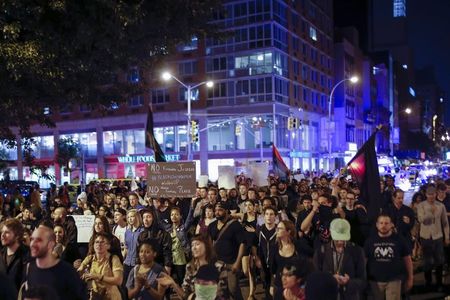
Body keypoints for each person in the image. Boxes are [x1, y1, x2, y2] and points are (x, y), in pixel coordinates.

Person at [23, 226, 87, 300]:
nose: (33, 244)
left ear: (50, 244)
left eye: (39, 240)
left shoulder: (67, 271)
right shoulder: (29, 268)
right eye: (32, 239)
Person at [157, 234, 228, 299]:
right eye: (192, 245)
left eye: (197, 244)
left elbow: (221, 294)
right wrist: (173, 283)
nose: (194, 248)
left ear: (207, 246)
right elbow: (184, 295)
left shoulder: (219, 266)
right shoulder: (190, 267)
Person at [313, 218, 366, 299]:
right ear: (330, 233)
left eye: (343, 238)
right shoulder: (321, 251)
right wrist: (330, 279)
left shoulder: (357, 251)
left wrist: (349, 282)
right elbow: (315, 278)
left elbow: (362, 281)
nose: (340, 241)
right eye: (337, 238)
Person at [364, 214, 413, 300]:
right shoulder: (369, 241)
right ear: (377, 224)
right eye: (381, 223)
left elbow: (407, 259)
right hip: (375, 281)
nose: (383, 225)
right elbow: (364, 261)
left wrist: (410, 278)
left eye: (386, 223)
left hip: (394, 280)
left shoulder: (399, 240)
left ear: (391, 224)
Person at [207, 202, 246, 300]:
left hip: (231, 263)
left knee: (233, 289)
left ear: (226, 211)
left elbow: (242, 243)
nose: (217, 212)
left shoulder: (235, 225)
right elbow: (209, 243)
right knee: (221, 292)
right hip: (216, 263)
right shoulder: (211, 225)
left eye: (219, 210)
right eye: (215, 210)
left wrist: (237, 262)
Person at [416, 185, 449, 291]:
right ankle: (428, 283)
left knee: (439, 260)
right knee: (427, 262)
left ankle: (439, 283)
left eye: (433, 194)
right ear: (426, 195)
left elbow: (445, 223)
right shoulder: (421, 206)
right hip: (425, 237)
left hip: (438, 236)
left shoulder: (441, 206)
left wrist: (447, 236)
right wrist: (430, 211)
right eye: (429, 194)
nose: (431, 196)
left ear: (436, 194)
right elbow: (421, 220)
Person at [271, 220, 313, 299]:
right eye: (277, 228)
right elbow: (273, 269)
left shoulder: (298, 246)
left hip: (295, 288)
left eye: (280, 228)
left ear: (288, 231)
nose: (277, 230)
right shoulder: (274, 247)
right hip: (279, 287)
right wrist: (272, 285)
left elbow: (312, 255)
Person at [78, 232, 124, 300]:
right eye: (96, 242)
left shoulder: (113, 259)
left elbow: (118, 280)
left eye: (102, 242)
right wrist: (82, 274)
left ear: (108, 246)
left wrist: (98, 276)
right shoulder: (89, 258)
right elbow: (79, 271)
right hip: (96, 296)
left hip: (111, 297)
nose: (99, 244)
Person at [254, 206, 278, 300]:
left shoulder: (278, 230)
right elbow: (255, 245)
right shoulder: (259, 230)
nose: (269, 216)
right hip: (263, 262)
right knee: (267, 286)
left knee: (275, 287)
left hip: (276, 264)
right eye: (267, 214)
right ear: (264, 216)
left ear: (275, 217)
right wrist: (257, 258)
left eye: (271, 214)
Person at [0, 218, 30, 291]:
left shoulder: (28, 254)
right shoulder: (1, 254)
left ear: (17, 236)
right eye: (2, 232)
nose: (2, 235)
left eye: (7, 232)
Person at [124, 209, 144, 289]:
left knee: (137, 287)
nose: (130, 219)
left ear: (137, 217)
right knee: (126, 286)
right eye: (128, 217)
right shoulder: (127, 232)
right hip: (127, 262)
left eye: (132, 216)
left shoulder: (142, 231)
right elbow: (126, 248)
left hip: (138, 263)